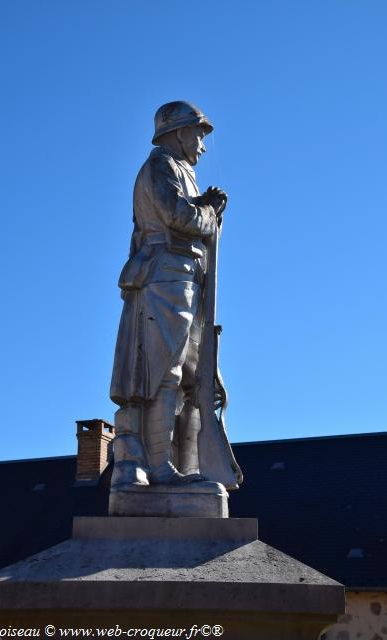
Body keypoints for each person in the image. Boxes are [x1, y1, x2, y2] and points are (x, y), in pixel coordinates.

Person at [110, 101, 228, 487]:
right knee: (165, 372)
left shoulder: (180, 171)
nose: (202, 145)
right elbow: (180, 217)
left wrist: (205, 207)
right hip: (167, 274)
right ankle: (159, 466)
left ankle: (178, 463)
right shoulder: (161, 166)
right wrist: (208, 213)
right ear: (177, 133)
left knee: (191, 378)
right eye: (198, 133)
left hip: (184, 275)